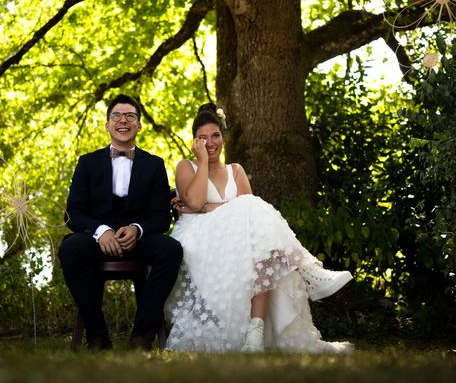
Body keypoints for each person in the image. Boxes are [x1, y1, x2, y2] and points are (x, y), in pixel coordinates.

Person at [165, 103, 353, 353]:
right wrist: (201, 165)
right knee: (251, 209)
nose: (210, 143)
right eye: (203, 138)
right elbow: (198, 201)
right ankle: (308, 268)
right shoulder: (186, 167)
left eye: (215, 136)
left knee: (262, 244)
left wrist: (207, 207)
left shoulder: (236, 170)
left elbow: (250, 216)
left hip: (234, 238)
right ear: (195, 141)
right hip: (198, 236)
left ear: (223, 136)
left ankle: (255, 332)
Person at [59, 94, 183, 351]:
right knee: (70, 249)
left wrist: (138, 229)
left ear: (139, 125)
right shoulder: (87, 163)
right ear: (107, 125)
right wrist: (100, 230)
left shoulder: (155, 164)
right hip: (96, 239)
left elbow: (161, 216)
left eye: (130, 116)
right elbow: (73, 212)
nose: (123, 120)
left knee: (171, 250)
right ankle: (97, 335)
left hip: (139, 240)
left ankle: (142, 335)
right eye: (116, 116)